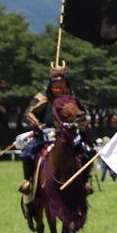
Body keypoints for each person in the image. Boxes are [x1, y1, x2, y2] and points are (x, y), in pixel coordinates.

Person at [18, 64, 77, 197]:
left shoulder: (70, 96)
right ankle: (28, 181)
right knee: (28, 152)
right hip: (45, 133)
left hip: (67, 132)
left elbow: (79, 113)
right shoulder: (42, 96)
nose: (58, 86)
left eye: (61, 82)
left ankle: (83, 182)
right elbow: (28, 113)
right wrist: (38, 125)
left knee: (86, 151)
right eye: (55, 83)